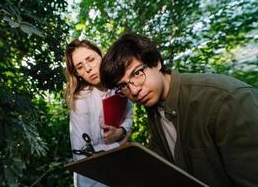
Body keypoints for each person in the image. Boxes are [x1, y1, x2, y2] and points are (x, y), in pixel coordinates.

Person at [99, 33, 258, 187]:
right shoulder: (153, 105)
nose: (133, 91)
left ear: (156, 62)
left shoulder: (226, 101)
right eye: (123, 86)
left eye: (137, 73)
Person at [64, 39, 133, 187]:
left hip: (120, 170)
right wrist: (119, 144)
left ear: (101, 56)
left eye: (90, 59)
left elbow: (129, 117)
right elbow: (81, 154)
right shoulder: (81, 100)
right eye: (80, 67)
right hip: (93, 180)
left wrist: (121, 131)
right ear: (77, 73)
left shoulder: (119, 87)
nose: (88, 69)